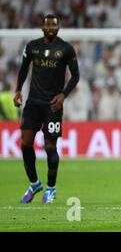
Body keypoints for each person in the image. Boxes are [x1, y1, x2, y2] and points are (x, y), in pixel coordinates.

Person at [14, 14, 80, 204]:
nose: (51, 28)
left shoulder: (66, 49)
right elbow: (23, 69)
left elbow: (75, 76)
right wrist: (18, 90)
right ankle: (34, 184)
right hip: (33, 103)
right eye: (48, 25)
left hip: (53, 105)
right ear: (42, 27)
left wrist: (63, 95)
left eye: (54, 25)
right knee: (25, 144)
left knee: (50, 146)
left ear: (59, 28)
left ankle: (51, 189)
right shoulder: (32, 46)